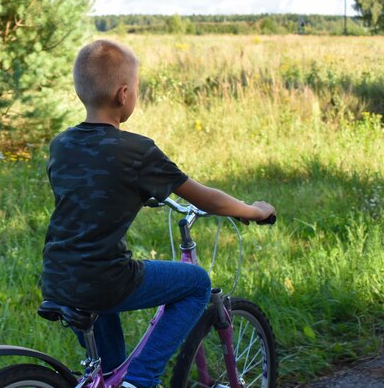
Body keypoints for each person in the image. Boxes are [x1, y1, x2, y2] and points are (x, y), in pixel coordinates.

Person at [41, 39, 275, 388]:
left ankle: (118, 379)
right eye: (136, 88)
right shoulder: (137, 151)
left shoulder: (61, 144)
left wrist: (135, 193)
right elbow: (207, 198)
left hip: (57, 276)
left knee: (107, 372)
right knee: (197, 284)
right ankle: (143, 377)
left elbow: (89, 193)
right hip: (105, 278)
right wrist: (253, 211)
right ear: (123, 94)